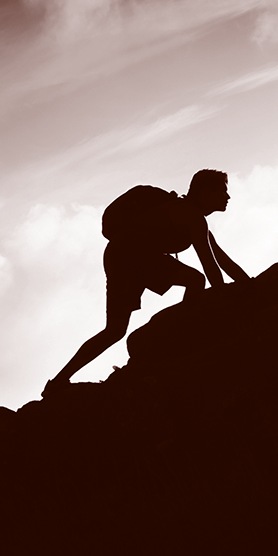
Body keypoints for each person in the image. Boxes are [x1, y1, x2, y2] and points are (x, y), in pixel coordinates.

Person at [43, 169, 249, 397]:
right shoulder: (191, 216)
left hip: (121, 255)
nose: (227, 197)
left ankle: (58, 382)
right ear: (206, 191)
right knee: (195, 280)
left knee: (114, 330)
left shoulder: (192, 217)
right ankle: (180, 339)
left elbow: (223, 261)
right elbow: (210, 265)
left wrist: (249, 284)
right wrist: (227, 294)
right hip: (129, 257)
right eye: (223, 191)